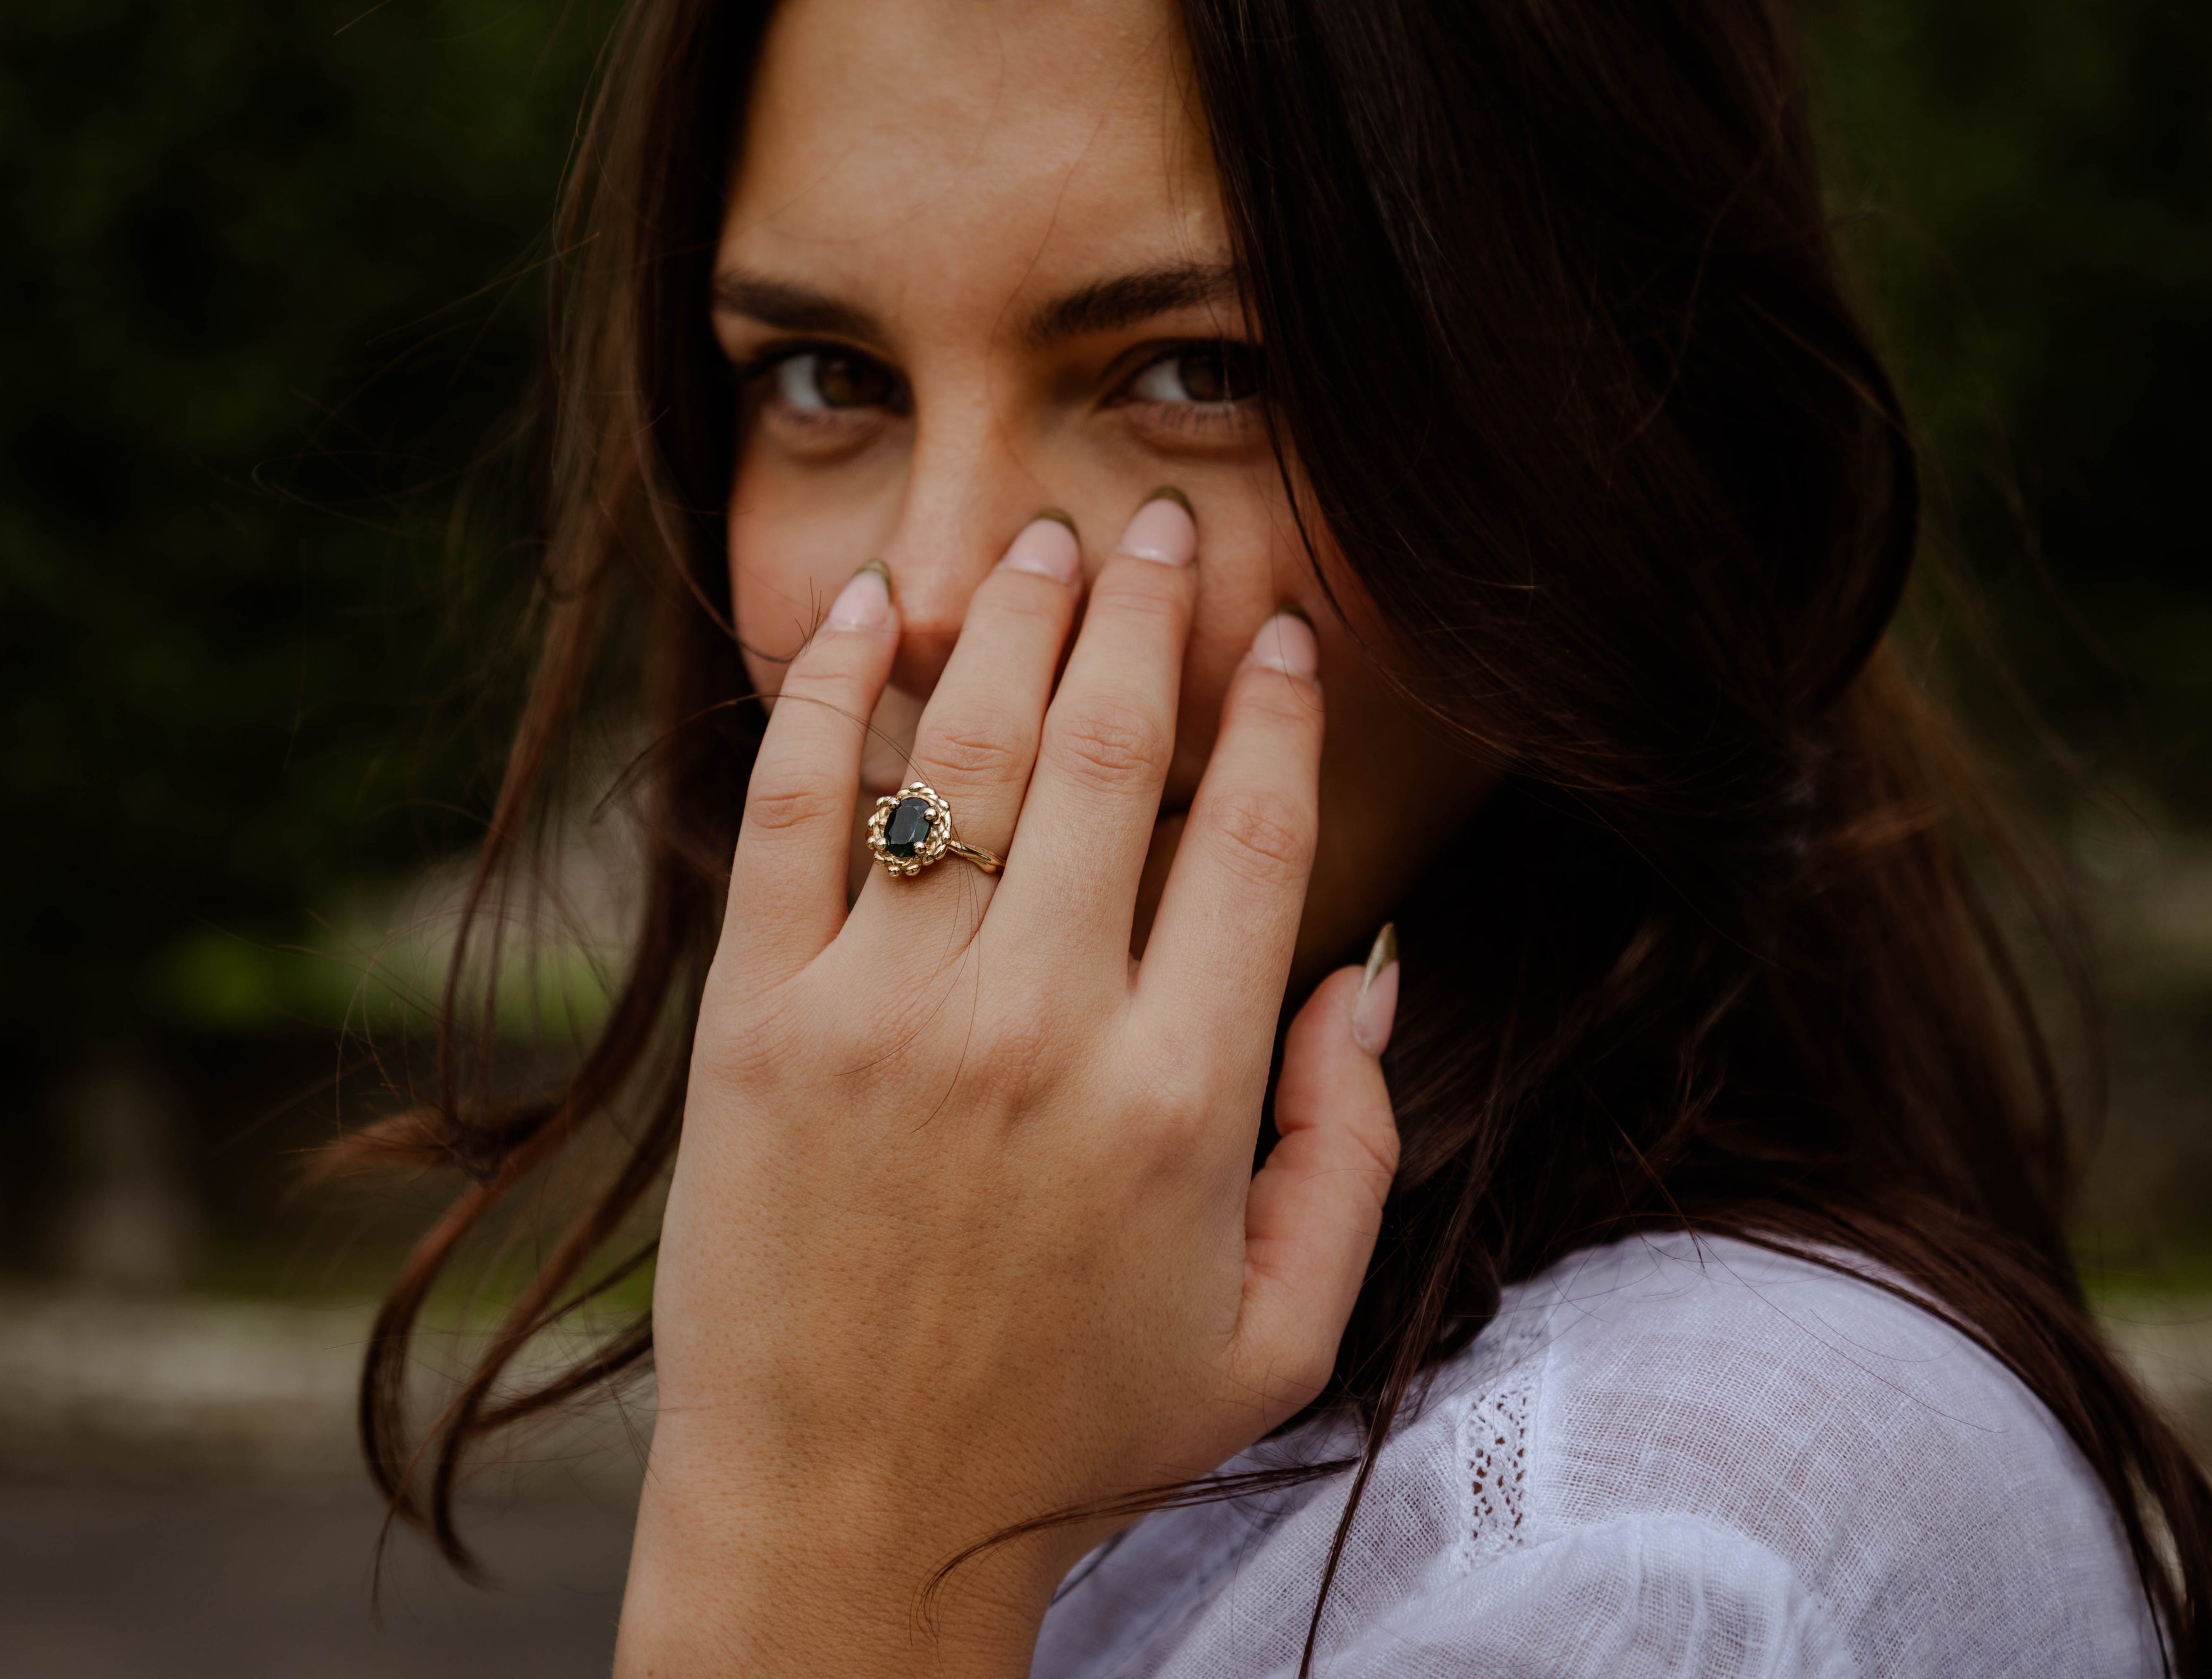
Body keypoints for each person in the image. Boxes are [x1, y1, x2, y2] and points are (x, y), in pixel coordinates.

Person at [342, 0, 2212, 1672]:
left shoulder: (1666, 1555)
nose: (924, 589)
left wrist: (820, 1549)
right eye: (827, 379)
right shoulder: (1104, 1349)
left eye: (1202, 370)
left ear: (1603, 420)